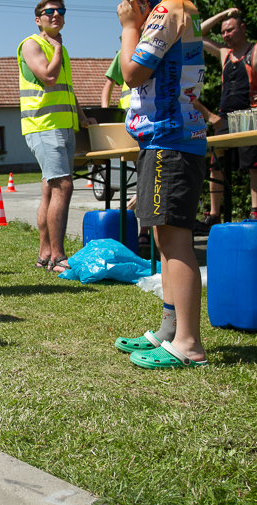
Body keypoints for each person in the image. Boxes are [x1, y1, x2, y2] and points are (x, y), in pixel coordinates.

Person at [112, 0, 208, 369]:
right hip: (165, 138)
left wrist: (128, 26)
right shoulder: (175, 8)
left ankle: (189, 343)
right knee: (162, 236)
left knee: (174, 237)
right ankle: (171, 328)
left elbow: (132, 74)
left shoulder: (168, 10)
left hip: (171, 138)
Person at [17, 0, 96, 272]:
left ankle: (44, 254)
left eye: (61, 11)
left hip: (62, 126)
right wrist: (59, 47)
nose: (56, 15)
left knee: (50, 188)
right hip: (43, 126)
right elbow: (49, 77)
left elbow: (66, 89)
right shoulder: (33, 44)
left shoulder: (58, 49)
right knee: (64, 186)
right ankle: (59, 258)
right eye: (49, 12)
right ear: (38, 19)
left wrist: (82, 116)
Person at [196, 7, 257, 233]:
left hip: (250, 116)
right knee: (216, 163)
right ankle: (213, 214)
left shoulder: (254, 52)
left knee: (253, 166)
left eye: (230, 30)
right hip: (224, 119)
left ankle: (255, 211)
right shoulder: (224, 54)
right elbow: (198, 33)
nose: (226, 35)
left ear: (243, 28)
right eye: (223, 32)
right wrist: (222, 15)